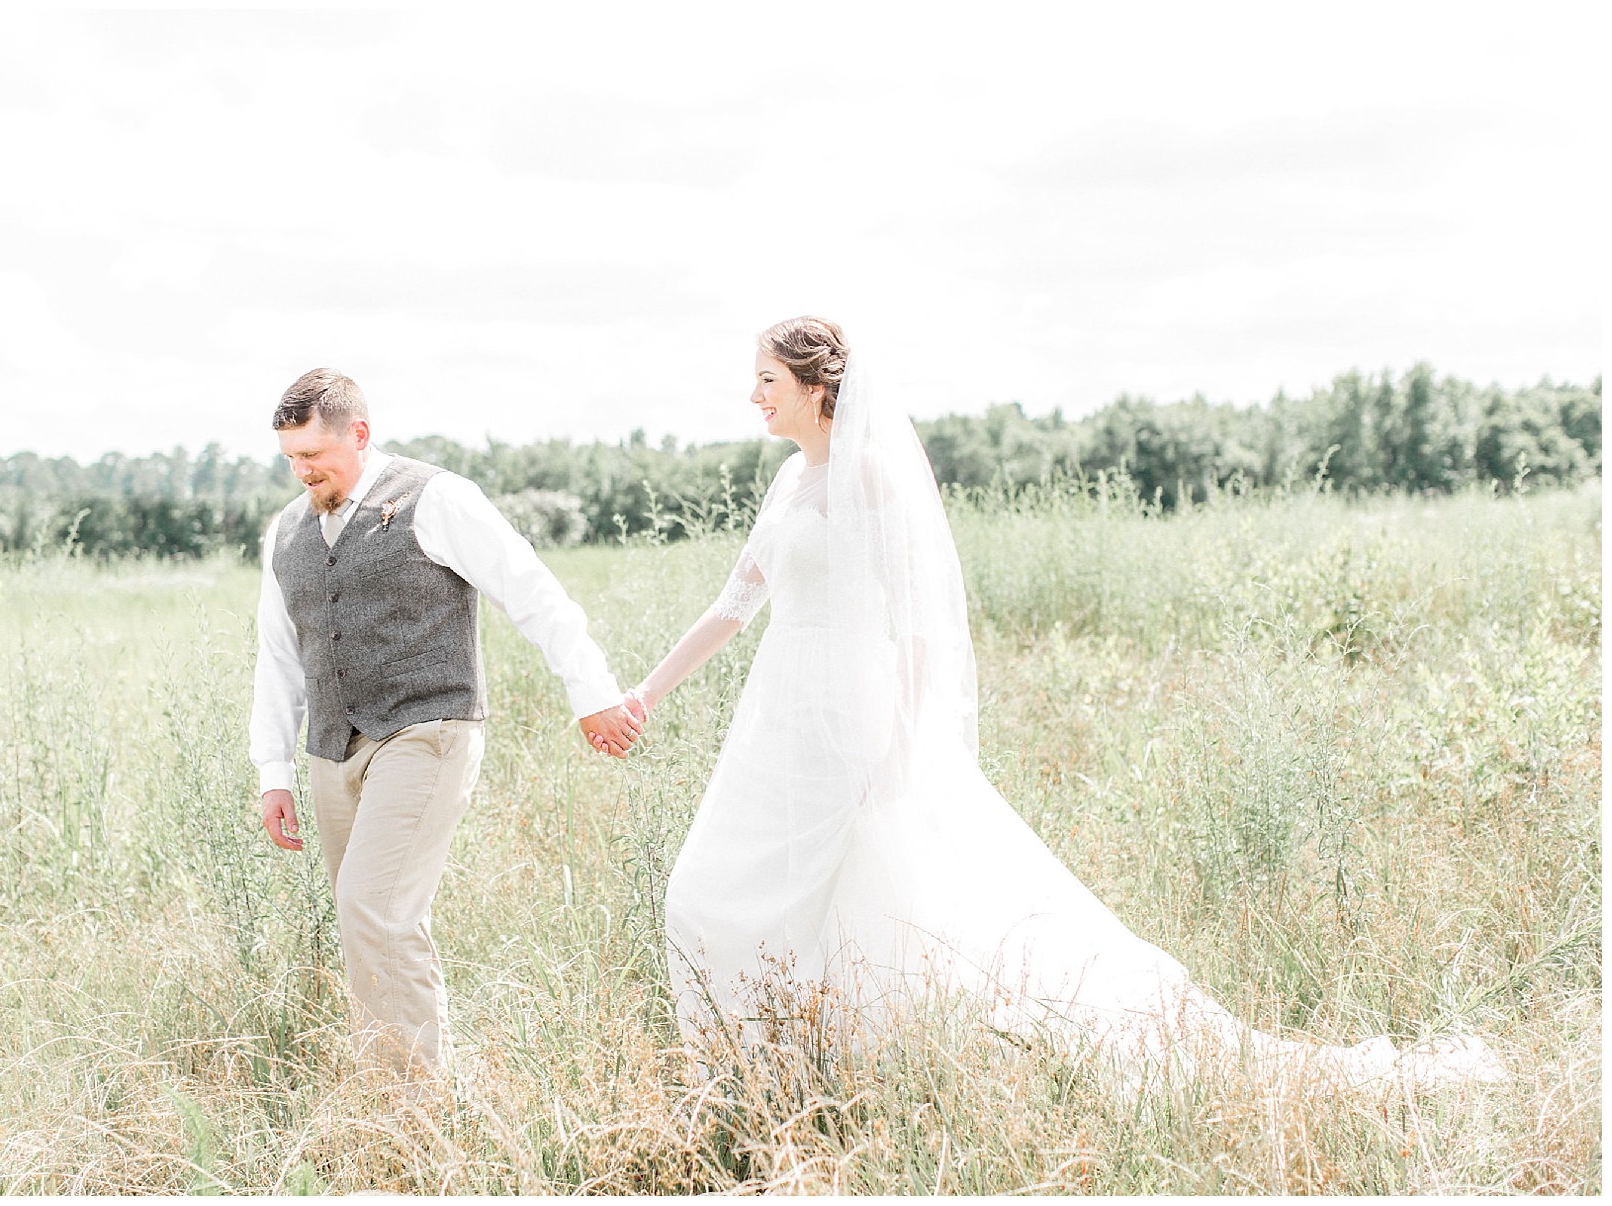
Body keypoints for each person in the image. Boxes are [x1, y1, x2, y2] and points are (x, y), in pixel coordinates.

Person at [609, 317, 1504, 1093]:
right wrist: (644, 693)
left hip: (855, 716)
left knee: (875, 899)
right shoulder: (786, 485)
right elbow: (733, 606)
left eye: (766, 379)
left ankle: (864, 1066)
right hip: (778, 723)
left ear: (813, 387)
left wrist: (909, 740)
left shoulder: (872, 479)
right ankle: (769, 1067)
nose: (752, 394)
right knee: (707, 892)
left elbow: (922, 625)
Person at [249, 368, 644, 1079]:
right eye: (291, 459)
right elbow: (278, 659)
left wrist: (593, 691)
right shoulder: (285, 533)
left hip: (428, 729)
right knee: (364, 919)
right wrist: (272, 770)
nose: (303, 471)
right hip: (333, 747)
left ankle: (422, 1110)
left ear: (359, 434)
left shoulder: (438, 497)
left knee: (374, 906)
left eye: (315, 455)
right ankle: (391, 1092)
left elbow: (531, 590)